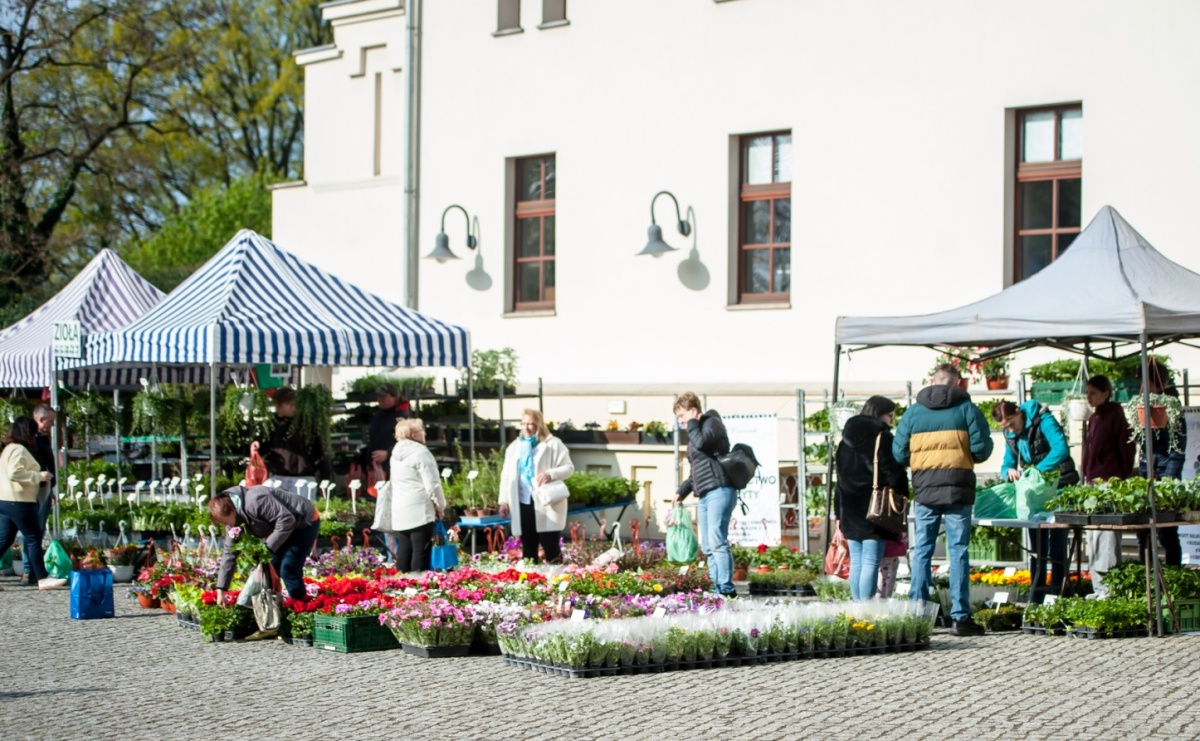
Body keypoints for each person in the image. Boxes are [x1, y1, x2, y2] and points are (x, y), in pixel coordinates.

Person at [893, 364, 994, 636]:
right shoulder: (967, 409)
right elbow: (982, 449)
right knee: (958, 550)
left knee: (923, 549)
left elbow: (899, 453)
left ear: (933, 381)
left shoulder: (913, 413)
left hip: (925, 490)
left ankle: (918, 612)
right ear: (957, 383)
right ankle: (960, 617)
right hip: (958, 489)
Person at [994, 399, 1080, 603]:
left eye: (1012, 423)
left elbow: (1060, 448)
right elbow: (1007, 462)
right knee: (1037, 548)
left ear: (1019, 413)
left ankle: (1055, 595)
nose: (1011, 430)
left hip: (1060, 486)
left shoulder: (1044, 420)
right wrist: (1009, 471)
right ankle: (1036, 596)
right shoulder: (1011, 435)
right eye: (1005, 428)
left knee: (1057, 545)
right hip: (1036, 493)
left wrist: (1038, 471)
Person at [834, 395, 909, 600]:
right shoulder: (882, 438)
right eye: (890, 415)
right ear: (879, 414)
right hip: (875, 509)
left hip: (849, 508)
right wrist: (902, 494)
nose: (891, 421)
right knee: (871, 562)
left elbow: (838, 481)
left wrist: (838, 512)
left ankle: (857, 608)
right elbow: (894, 475)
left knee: (857, 561)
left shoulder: (844, 442)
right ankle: (865, 610)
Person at [670, 392, 737, 598]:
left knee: (717, 541)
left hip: (720, 489)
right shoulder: (696, 431)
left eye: (682, 416)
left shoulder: (711, 423)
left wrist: (692, 423)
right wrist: (680, 493)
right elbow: (696, 471)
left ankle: (726, 590)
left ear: (692, 410)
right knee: (708, 545)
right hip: (706, 494)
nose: (681, 422)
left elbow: (700, 443)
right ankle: (716, 588)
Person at [210, 484, 320, 604]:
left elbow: (286, 520)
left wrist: (267, 548)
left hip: (303, 521)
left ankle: (302, 605)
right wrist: (221, 589)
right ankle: (274, 608)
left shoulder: (256, 500)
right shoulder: (233, 521)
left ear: (232, 510)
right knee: (270, 568)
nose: (225, 525)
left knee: (288, 569)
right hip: (282, 528)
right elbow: (229, 553)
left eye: (224, 521)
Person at [1080, 375, 1136, 597]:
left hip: (1109, 483)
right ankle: (1098, 586)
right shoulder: (1094, 418)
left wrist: (1119, 477)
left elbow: (1126, 449)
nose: (1089, 397)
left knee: (1107, 537)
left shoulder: (1116, 417)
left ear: (1105, 393)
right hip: (1092, 484)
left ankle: (1109, 588)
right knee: (1093, 537)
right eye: (1087, 393)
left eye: (1093, 393)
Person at [498, 409, 574, 563]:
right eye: (523, 423)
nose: (526, 427)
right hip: (522, 502)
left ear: (539, 425)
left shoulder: (553, 444)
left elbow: (569, 468)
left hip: (546, 502)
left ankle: (558, 581)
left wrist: (550, 474)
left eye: (531, 424)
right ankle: (532, 581)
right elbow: (506, 476)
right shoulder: (514, 447)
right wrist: (503, 501)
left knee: (550, 544)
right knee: (528, 544)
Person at [0, 416, 62, 589]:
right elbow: (15, 473)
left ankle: (41, 577)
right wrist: (39, 476)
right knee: (33, 538)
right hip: (19, 501)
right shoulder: (19, 450)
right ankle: (42, 578)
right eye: (34, 432)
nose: (35, 436)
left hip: (5, 500)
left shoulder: (8, 448)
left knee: (4, 540)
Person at [1135, 361, 1186, 566]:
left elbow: (1177, 450)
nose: (1140, 387)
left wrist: (1168, 482)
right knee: (1143, 531)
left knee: (1167, 532)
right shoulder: (1145, 406)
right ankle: (1145, 575)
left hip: (1165, 474)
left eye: (1143, 382)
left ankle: (1173, 574)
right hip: (1148, 472)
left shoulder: (1171, 408)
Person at [387, 418, 446, 572]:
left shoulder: (395, 454)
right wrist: (440, 506)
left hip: (401, 510)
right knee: (421, 551)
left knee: (405, 551)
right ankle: (418, 587)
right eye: (422, 431)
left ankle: (401, 587)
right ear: (414, 435)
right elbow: (433, 485)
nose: (424, 434)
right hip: (420, 510)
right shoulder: (421, 453)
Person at [264, 387, 333, 495]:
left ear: (290, 404)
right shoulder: (273, 423)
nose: (277, 408)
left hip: (303, 479)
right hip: (278, 478)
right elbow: (265, 447)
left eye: (279, 404)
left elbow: (320, 452)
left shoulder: (308, 424)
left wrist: (325, 478)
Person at [366, 383, 410, 477]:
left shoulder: (402, 416)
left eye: (383, 396)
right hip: (377, 466)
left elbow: (408, 443)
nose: (379, 399)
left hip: (395, 466)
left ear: (394, 397)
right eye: (378, 396)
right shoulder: (378, 415)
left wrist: (388, 453)